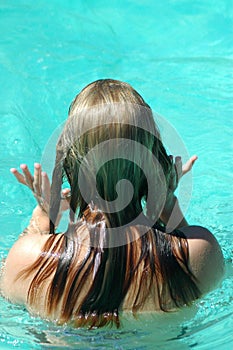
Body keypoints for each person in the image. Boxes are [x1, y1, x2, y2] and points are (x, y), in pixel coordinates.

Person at [0, 79, 224, 328]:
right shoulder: (200, 252)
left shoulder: (26, 260)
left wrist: (43, 216)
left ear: (71, 168)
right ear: (153, 166)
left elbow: (7, 289)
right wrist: (167, 207)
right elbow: (202, 280)